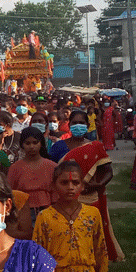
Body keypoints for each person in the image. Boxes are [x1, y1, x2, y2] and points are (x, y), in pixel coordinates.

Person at [53, 110, 123, 262]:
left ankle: (93, 264)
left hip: (91, 198)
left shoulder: (95, 146)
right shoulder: (59, 147)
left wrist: (97, 184)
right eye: (74, 123)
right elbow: (52, 173)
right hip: (65, 198)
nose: (78, 126)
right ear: (68, 125)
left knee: (91, 233)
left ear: (88, 125)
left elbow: (108, 171)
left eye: (82, 123)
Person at [6, 128, 56, 228]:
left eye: (35, 142)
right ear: (22, 145)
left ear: (41, 143)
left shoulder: (52, 166)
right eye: (27, 143)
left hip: (48, 209)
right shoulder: (15, 168)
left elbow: (56, 192)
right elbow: (10, 192)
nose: (31, 146)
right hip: (24, 212)